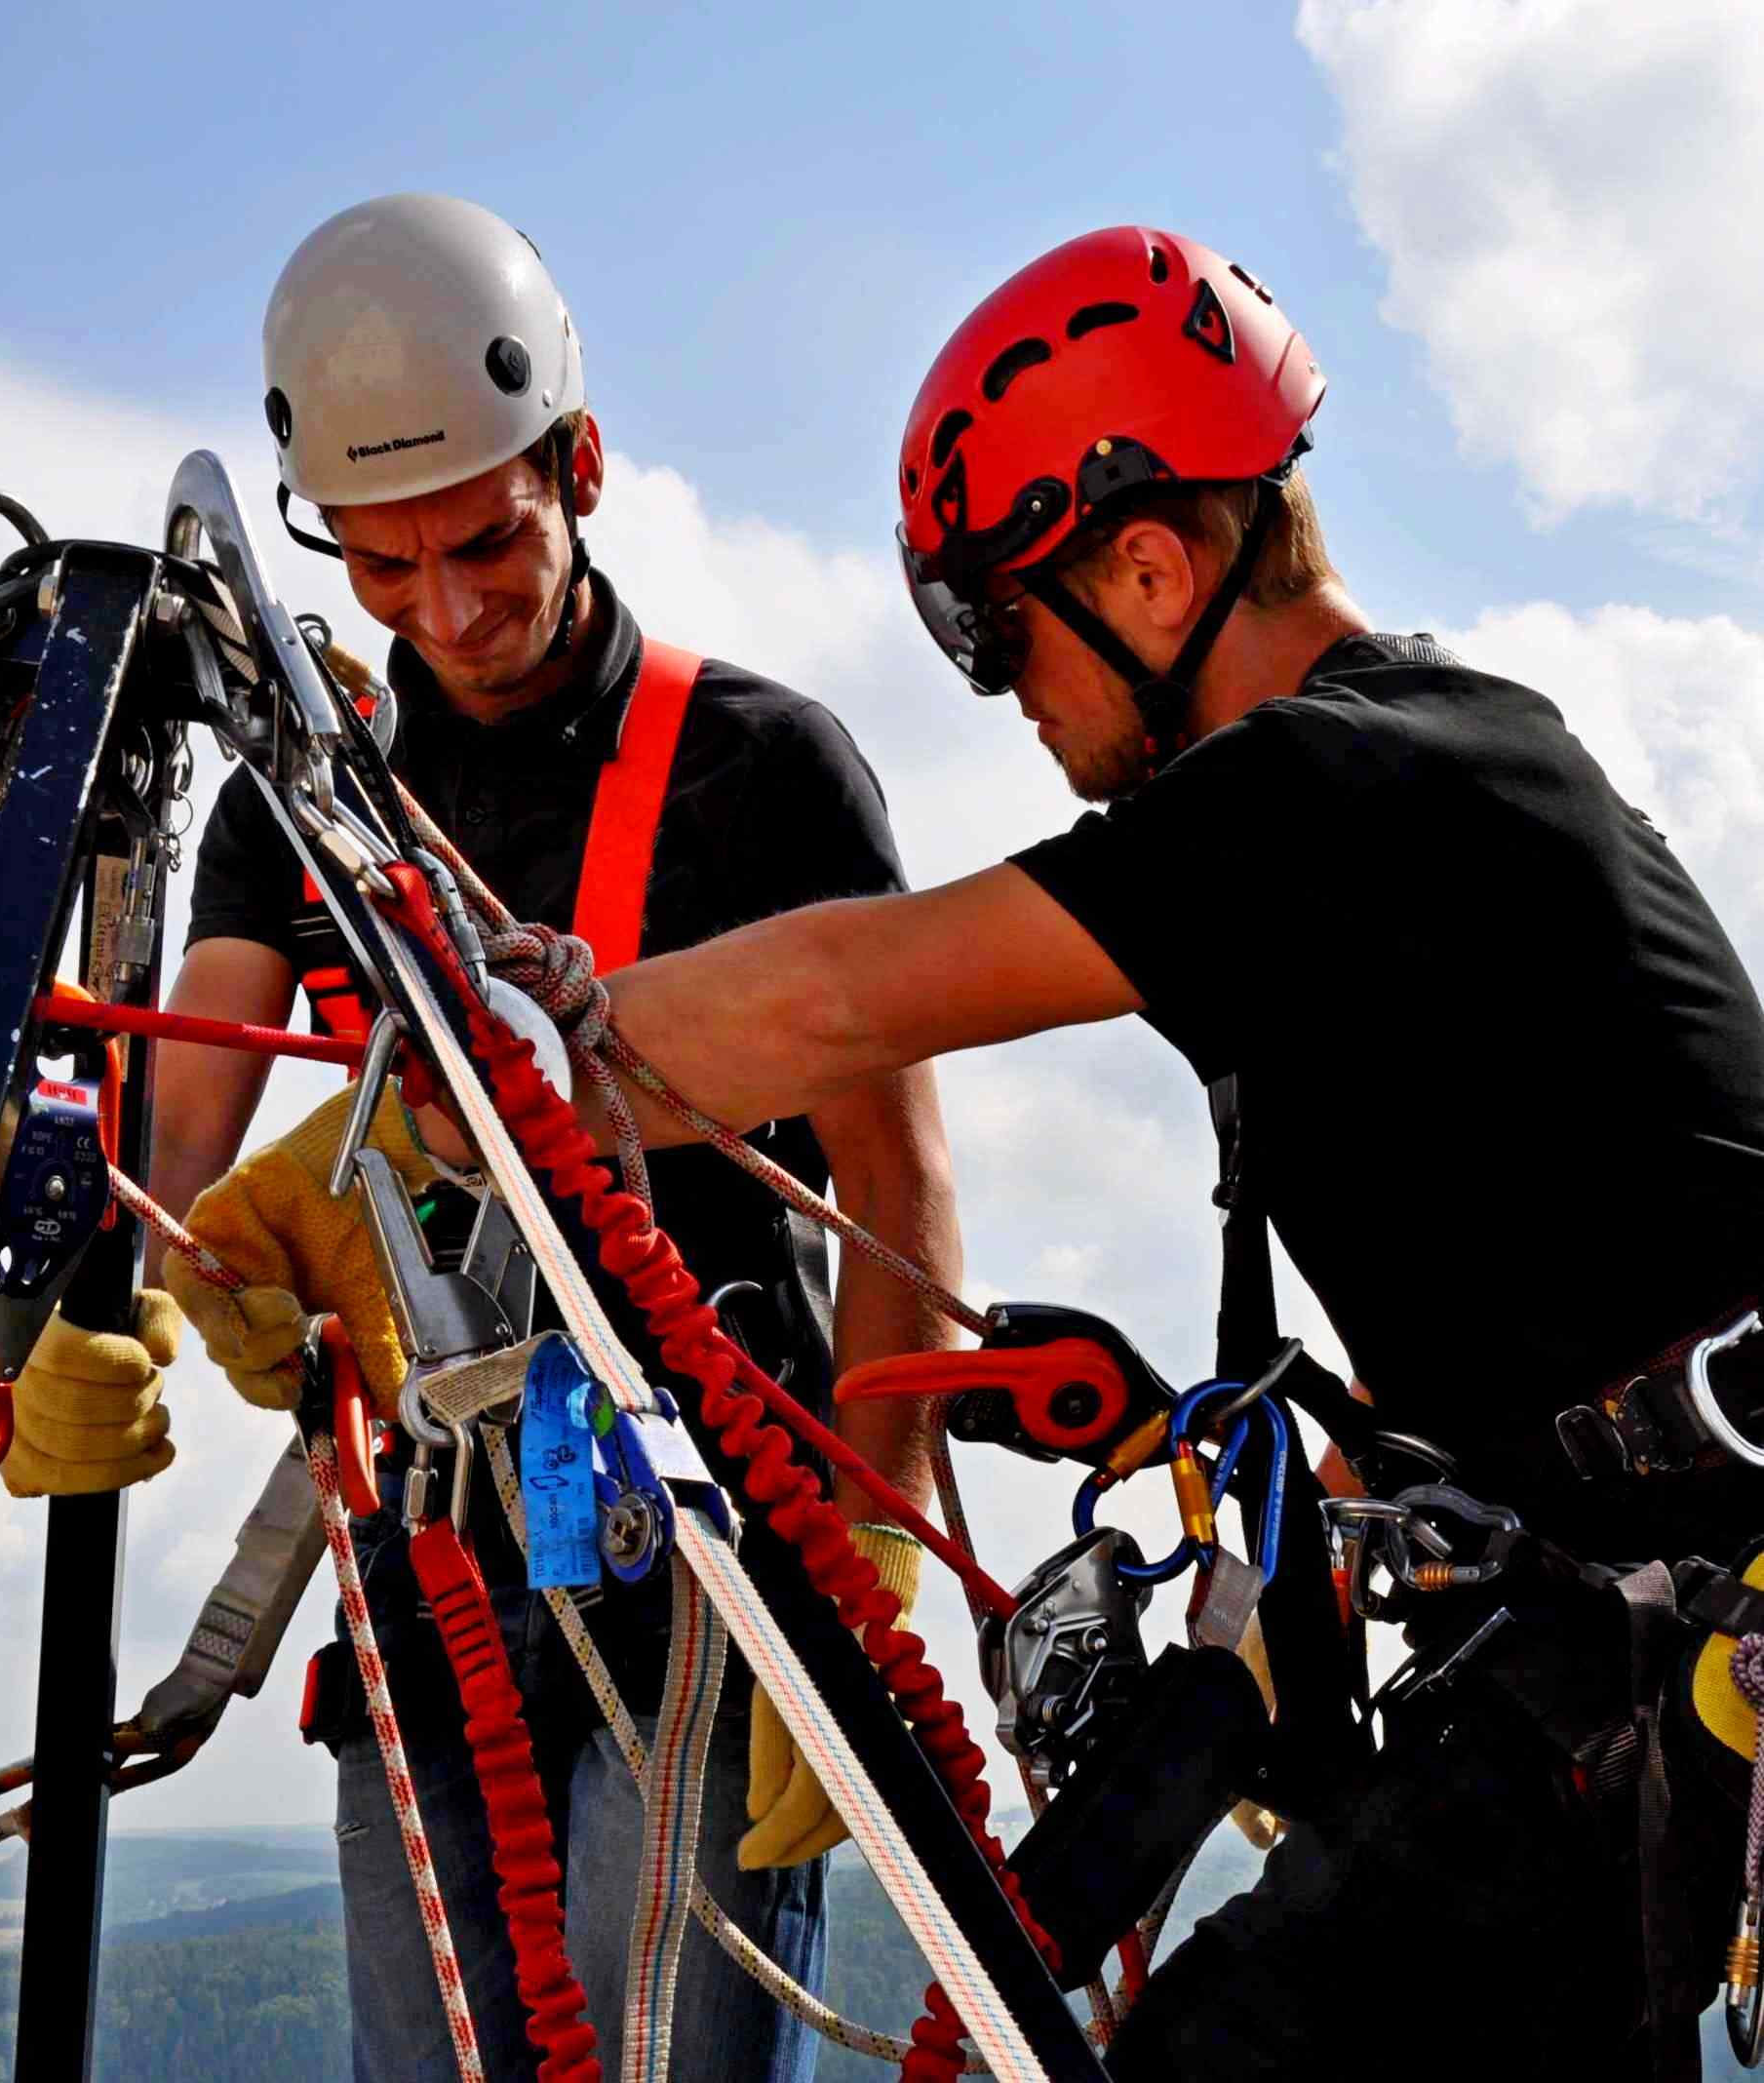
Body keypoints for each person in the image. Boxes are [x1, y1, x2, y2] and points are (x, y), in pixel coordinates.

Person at [522, 226, 1764, 2079]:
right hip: (1624, 1637)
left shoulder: (1345, 784)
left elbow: (851, 998)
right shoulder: (1398, 786)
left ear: (1152, 565)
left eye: (1000, 630)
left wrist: (527, 1037)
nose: (1004, 693)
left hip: (1659, 1648)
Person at [144, 195, 960, 2083]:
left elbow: (901, 1184)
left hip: (707, 1555)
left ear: (577, 462)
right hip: (427, 1546)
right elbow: (178, 1136)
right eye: (381, 565)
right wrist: (144, 1284)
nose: (443, 609)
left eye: (487, 544)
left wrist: (871, 1555)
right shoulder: (308, 809)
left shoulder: (763, 769)